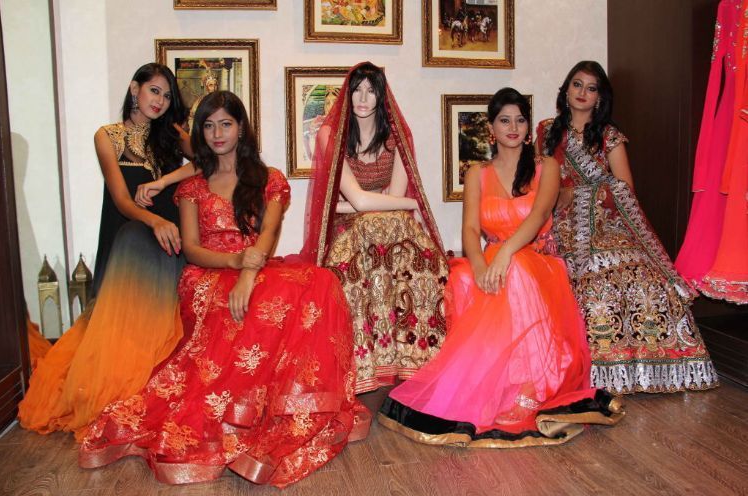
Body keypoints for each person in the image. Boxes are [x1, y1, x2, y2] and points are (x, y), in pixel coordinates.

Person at [80, 91, 369, 488]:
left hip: (256, 267)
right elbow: (192, 249)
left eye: (226, 124)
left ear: (241, 128)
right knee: (260, 303)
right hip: (208, 275)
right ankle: (236, 412)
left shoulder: (268, 179)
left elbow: (267, 236)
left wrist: (248, 272)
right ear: (200, 132)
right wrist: (235, 264)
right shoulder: (193, 187)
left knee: (320, 282)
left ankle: (291, 406)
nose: (217, 133)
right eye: (209, 125)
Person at [378, 88, 623, 447]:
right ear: (491, 129)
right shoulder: (477, 173)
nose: (513, 127)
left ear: (527, 127)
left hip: (535, 258)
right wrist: (479, 267)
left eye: (520, 120)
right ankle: (482, 383)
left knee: (517, 269)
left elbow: (539, 215)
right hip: (492, 259)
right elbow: (470, 230)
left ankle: (529, 386)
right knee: (462, 277)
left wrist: (506, 252)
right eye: (504, 120)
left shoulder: (546, 167)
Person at [18, 63, 191, 440]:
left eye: (166, 95)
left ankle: (157, 400)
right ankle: (119, 399)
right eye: (154, 90)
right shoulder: (108, 136)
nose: (160, 101)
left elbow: (208, 161)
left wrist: (165, 179)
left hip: (170, 240)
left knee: (167, 325)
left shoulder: (170, 135)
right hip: (131, 236)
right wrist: (154, 222)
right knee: (121, 332)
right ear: (134, 88)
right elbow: (122, 200)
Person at [536, 61, 718, 394]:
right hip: (562, 224)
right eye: (577, 84)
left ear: (600, 98)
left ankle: (654, 366)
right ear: (566, 89)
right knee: (591, 280)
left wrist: (577, 193)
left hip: (608, 224)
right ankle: (592, 370)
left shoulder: (609, 136)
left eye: (591, 88)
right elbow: (538, 183)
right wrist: (559, 198)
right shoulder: (547, 132)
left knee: (644, 275)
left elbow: (624, 189)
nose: (582, 93)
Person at [300, 62, 449, 394]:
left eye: (371, 90)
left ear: (382, 96)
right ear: (347, 94)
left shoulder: (396, 139)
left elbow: (388, 203)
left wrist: (378, 204)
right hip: (347, 232)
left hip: (385, 229)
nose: (363, 98)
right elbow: (363, 200)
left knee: (421, 257)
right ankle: (370, 365)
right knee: (376, 227)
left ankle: (414, 360)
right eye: (357, 90)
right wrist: (410, 203)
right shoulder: (330, 135)